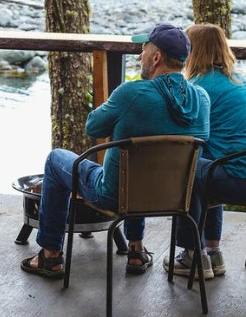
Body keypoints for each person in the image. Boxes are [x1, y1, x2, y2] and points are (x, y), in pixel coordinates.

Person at [21, 24, 210, 279]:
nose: (139, 56)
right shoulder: (202, 99)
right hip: (175, 198)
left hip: (114, 195)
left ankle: (50, 255)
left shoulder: (131, 93)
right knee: (137, 171)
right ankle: (136, 249)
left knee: (57, 159)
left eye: (143, 50)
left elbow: (93, 126)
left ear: (156, 58)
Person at [164, 23, 246, 279]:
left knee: (184, 167)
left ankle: (192, 255)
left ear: (191, 52)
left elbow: (178, 134)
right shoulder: (239, 80)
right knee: (208, 164)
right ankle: (212, 253)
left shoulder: (200, 88)